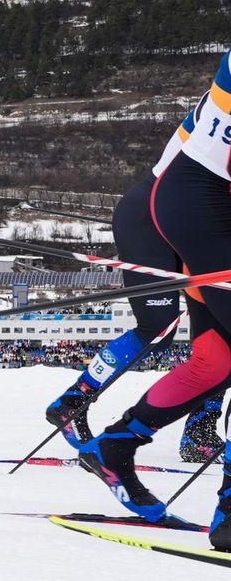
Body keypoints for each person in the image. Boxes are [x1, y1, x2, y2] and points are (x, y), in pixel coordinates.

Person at [76, 50, 231, 542]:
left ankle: (116, 445)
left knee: (217, 360)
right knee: (158, 330)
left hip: (200, 205)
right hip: (199, 206)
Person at [44, 102, 225, 461]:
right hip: (151, 222)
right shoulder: (220, 105)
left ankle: (200, 428)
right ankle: (74, 400)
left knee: (221, 332)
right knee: (156, 330)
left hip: (194, 226)